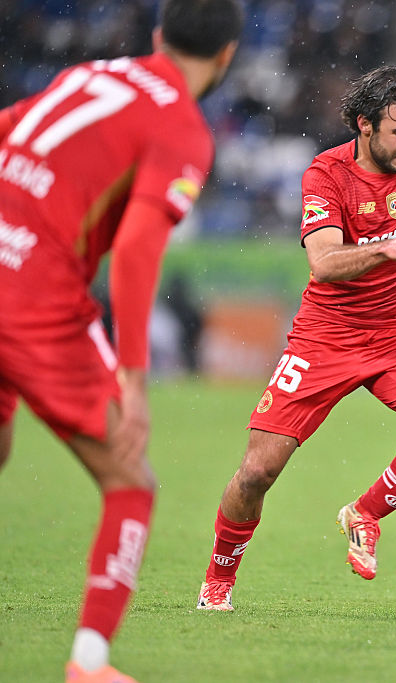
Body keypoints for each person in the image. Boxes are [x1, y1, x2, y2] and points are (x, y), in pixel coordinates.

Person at [196, 65, 396, 611]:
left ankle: (365, 514)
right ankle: (218, 578)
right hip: (325, 338)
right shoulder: (325, 175)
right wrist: (389, 247)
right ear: (363, 126)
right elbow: (324, 263)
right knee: (257, 471)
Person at [0, 1, 241, 680]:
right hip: (34, 298)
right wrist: (133, 379)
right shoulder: (183, 129)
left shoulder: (88, 75)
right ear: (226, 58)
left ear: (159, 37)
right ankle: (90, 662)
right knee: (131, 479)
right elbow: (136, 252)